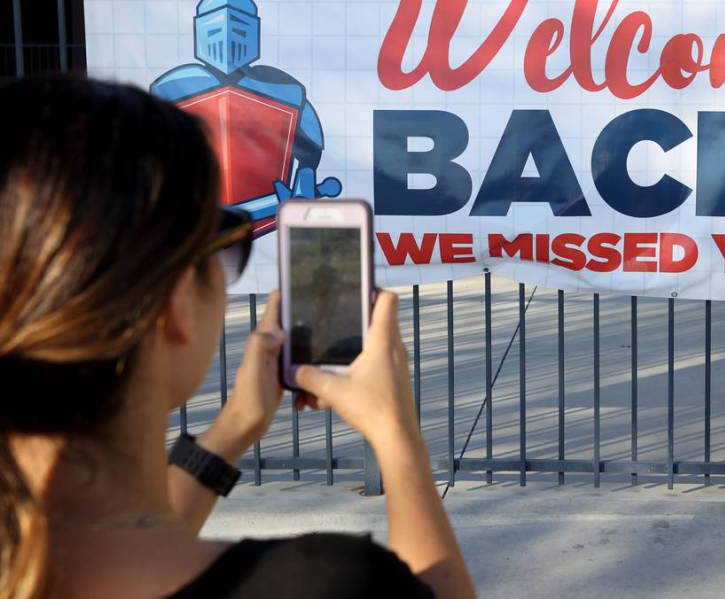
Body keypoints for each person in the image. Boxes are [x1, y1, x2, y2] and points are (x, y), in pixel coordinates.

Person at [0, 75, 476, 598]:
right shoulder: (324, 584)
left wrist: (235, 427)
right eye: (222, 238)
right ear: (176, 305)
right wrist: (398, 437)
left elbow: (128, 535)